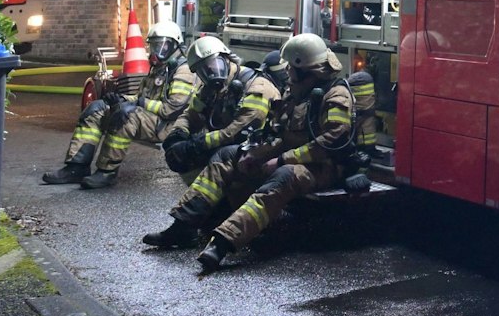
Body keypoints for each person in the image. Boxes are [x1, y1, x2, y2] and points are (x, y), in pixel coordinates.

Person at [141, 34, 356, 271]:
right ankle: (183, 226)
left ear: (304, 69)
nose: (286, 72)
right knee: (226, 156)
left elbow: (329, 143)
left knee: (284, 176)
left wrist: (282, 159)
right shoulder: (296, 93)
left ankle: (223, 242)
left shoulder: (335, 95)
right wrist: (254, 153)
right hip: (290, 156)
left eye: (290, 68)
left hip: (323, 165)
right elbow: (277, 133)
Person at [42, 18, 189, 186]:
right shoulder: (159, 68)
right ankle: (76, 167)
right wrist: (121, 99)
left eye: (162, 46)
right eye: (154, 46)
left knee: (125, 116)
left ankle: (106, 171)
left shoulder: (183, 71)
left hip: (168, 126)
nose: (156, 51)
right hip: (151, 118)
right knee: (96, 109)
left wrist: (137, 103)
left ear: (175, 45)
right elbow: (142, 96)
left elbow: (171, 109)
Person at [162, 37, 280, 178]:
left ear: (227, 58)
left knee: (216, 157)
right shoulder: (209, 89)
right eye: (203, 70)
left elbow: (238, 132)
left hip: (256, 148)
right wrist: (178, 133)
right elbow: (190, 114)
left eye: (213, 64)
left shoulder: (257, 87)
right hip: (227, 142)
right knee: (182, 158)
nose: (210, 71)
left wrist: (197, 144)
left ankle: (223, 196)